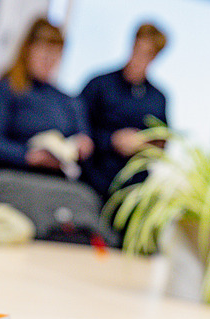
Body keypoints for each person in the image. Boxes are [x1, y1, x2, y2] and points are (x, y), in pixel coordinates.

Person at [0, 17, 93, 186]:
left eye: (55, 54)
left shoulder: (67, 100)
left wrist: (82, 146)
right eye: (44, 52)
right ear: (28, 49)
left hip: (53, 186)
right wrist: (29, 156)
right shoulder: (7, 89)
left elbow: (83, 137)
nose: (49, 60)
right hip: (11, 181)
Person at [79, 23, 169, 201]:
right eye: (138, 49)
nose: (140, 58)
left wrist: (142, 143)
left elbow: (162, 143)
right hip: (92, 183)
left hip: (132, 192)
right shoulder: (99, 85)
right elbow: (77, 130)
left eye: (148, 53)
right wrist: (112, 141)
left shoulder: (157, 99)